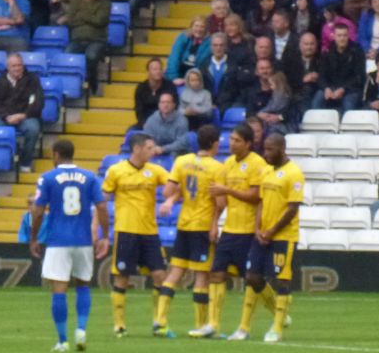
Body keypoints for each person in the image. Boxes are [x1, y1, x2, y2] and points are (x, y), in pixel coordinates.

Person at [29, 139, 109, 352]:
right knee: (83, 284)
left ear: (56, 155)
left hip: (58, 241)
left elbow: (37, 211)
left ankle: (63, 340)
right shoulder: (90, 177)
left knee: (59, 289)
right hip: (83, 240)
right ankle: (81, 329)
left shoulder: (47, 178)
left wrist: (34, 237)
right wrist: (105, 236)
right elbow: (102, 207)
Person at [195, 124, 269, 339]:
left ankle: (246, 326)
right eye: (231, 139)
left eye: (237, 140)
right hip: (230, 229)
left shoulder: (257, 164)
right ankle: (213, 324)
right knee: (216, 274)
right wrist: (214, 223)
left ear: (248, 143)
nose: (232, 143)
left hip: (248, 230)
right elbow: (222, 201)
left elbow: (256, 196)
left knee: (251, 278)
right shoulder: (227, 164)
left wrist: (227, 190)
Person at [229, 133, 301, 343]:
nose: (265, 153)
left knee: (283, 280)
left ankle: (277, 328)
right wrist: (259, 227)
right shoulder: (266, 171)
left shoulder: (294, 173)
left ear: (281, 149)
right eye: (264, 149)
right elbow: (261, 201)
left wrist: (272, 231)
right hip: (262, 234)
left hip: (284, 236)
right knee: (252, 277)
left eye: (270, 149)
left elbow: (292, 209)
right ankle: (244, 328)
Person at [153, 125, 221, 337]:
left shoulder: (182, 161)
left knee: (175, 272)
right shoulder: (217, 168)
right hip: (202, 225)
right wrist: (215, 223)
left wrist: (173, 199)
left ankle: (160, 319)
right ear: (214, 144)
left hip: (183, 224)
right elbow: (220, 202)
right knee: (202, 275)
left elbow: (167, 191)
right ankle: (201, 326)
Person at [102, 132, 169, 337]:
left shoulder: (155, 170)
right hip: (126, 232)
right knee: (122, 278)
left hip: (149, 232)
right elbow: (102, 199)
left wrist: (169, 201)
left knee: (159, 275)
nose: (153, 151)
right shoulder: (116, 171)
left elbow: (174, 185)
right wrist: (97, 224)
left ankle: (159, 322)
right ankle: (119, 324)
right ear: (137, 149)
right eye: (149, 148)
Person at [0, 52, 43, 173]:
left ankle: (25, 163)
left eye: (20, 65)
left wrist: (23, 115)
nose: (17, 68)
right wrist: (6, 117)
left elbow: (38, 102)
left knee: (33, 129)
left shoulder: (32, 80)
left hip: (26, 117)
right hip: (5, 118)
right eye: (14, 66)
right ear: (8, 67)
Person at [62, 0, 110, 93]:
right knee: (67, 55)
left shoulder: (105, 3)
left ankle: (92, 85)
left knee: (91, 56)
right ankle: (70, 88)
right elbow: (71, 20)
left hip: (97, 40)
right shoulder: (76, 1)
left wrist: (82, 15)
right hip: (77, 40)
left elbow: (100, 21)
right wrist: (91, 16)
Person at [312, 23, 365, 113]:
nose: (342, 38)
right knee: (317, 101)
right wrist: (326, 88)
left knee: (348, 105)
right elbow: (321, 76)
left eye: (344, 35)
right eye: (339, 35)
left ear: (348, 35)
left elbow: (359, 77)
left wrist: (343, 89)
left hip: (351, 90)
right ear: (334, 36)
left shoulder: (357, 52)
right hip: (331, 88)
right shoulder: (327, 52)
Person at [143, 89, 190, 155]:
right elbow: (147, 138)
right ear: (159, 105)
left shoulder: (182, 121)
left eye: (168, 102)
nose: (165, 105)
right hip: (155, 151)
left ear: (174, 105)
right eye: (162, 102)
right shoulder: (151, 120)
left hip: (176, 152)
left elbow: (181, 143)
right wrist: (153, 148)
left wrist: (163, 149)